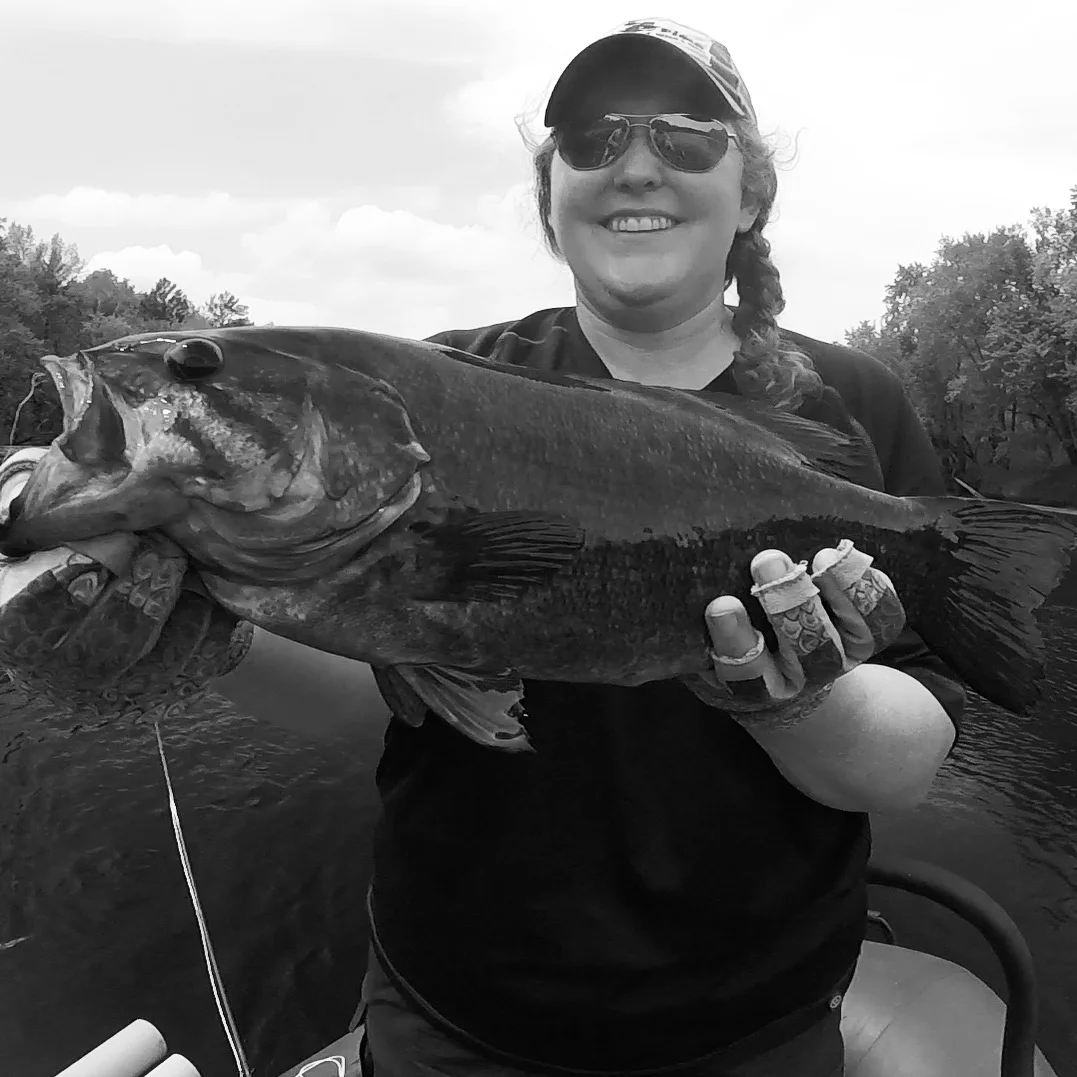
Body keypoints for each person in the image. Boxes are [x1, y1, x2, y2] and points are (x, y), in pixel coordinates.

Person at [0, 18, 964, 1077]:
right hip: (456, 1021)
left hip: (754, 1029)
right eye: (593, 140)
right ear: (551, 193)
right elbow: (387, 690)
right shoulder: (445, 381)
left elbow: (908, 765)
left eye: (685, 138)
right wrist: (208, 626)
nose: (635, 163)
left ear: (753, 193)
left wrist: (795, 700)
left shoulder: (851, 410)